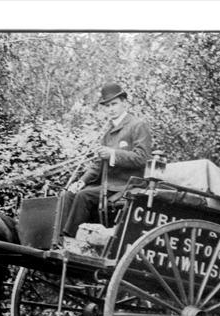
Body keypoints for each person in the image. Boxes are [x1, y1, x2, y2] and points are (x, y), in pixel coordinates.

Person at [62, 82, 153, 237]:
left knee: (84, 196)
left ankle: (70, 240)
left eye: (114, 104)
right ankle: (58, 240)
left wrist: (113, 154)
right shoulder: (108, 132)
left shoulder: (137, 125)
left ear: (124, 103)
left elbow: (142, 158)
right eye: (108, 106)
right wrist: (81, 182)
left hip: (126, 186)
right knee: (69, 194)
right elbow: (98, 163)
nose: (111, 109)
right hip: (107, 186)